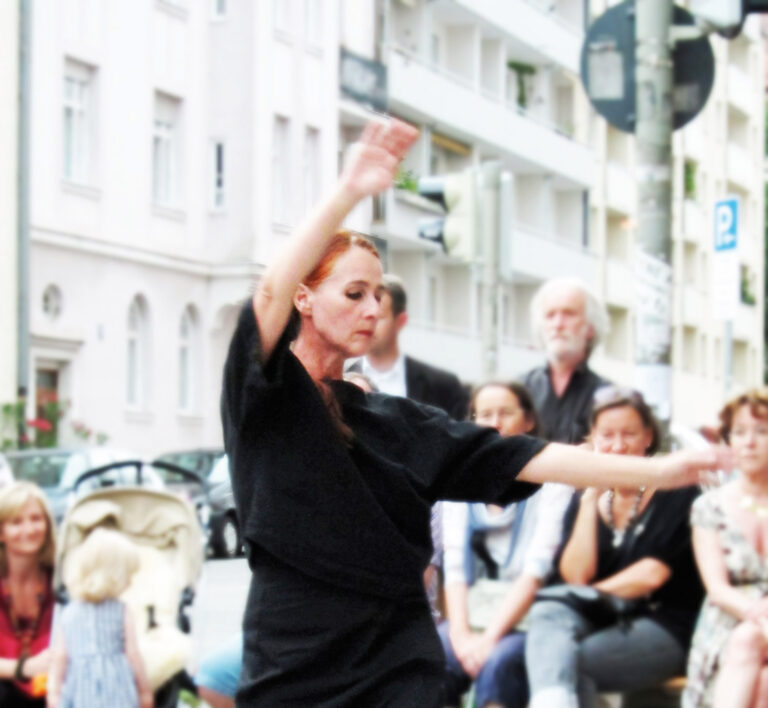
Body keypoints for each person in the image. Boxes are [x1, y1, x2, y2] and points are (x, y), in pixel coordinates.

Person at [221, 117, 730, 706]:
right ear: (304, 299)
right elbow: (266, 295)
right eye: (354, 293)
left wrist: (661, 472)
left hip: (397, 660)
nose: (372, 309)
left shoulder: (398, 423)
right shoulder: (268, 397)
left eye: (379, 296)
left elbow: (532, 456)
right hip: (295, 661)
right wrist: (351, 191)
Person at [525, 386, 705, 707]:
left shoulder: (677, 491)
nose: (618, 447)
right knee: (547, 612)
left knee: (567, 661)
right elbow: (577, 576)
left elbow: (650, 575)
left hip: (667, 624)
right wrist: (591, 496)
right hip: (605, 617)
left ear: (648, 437)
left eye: (629, 434)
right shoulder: (586, 499)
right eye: (606, 435)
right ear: (593, 438)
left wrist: (585, 597)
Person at [439, 382, 572, 708]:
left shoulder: (553, 481)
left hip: (528, 616)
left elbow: (536, 569)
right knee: (432, 655)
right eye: (485, 414)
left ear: (528, 421)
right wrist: (460, 635)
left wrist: (488, 640)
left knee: (498, 664)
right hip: (473, 612)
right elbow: (454, 565)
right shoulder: (459, 479)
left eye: (505, 413)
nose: (495, 421)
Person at [683, 388, 768, 708]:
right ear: (728, 439)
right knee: (751, 653)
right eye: (740, 432)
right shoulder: (709, 505)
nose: (749, 442)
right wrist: (761, 619)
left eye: (762, 432)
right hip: (728, 622)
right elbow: (717, 589)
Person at [47, 528, 152, 708]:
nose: (130, 582)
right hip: (116, 687)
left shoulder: (69, 612)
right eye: (127, 576)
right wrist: (144, 691)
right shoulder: (122, 610)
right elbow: (133, 654)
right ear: (114, 576)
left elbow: (60, 657)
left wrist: (54, 692)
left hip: (79, 688)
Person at [522, 277, 610, 443]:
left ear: (590, 328)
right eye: (550, 315)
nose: (558, 324)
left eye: (569, 313)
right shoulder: (520, 390)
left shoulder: (608, 397)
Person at [0, 481, 56, 707]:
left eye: (36, 519)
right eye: (16, 522)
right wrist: (24, 668)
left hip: (54, 685)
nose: (29, 529)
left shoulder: (63, 580)